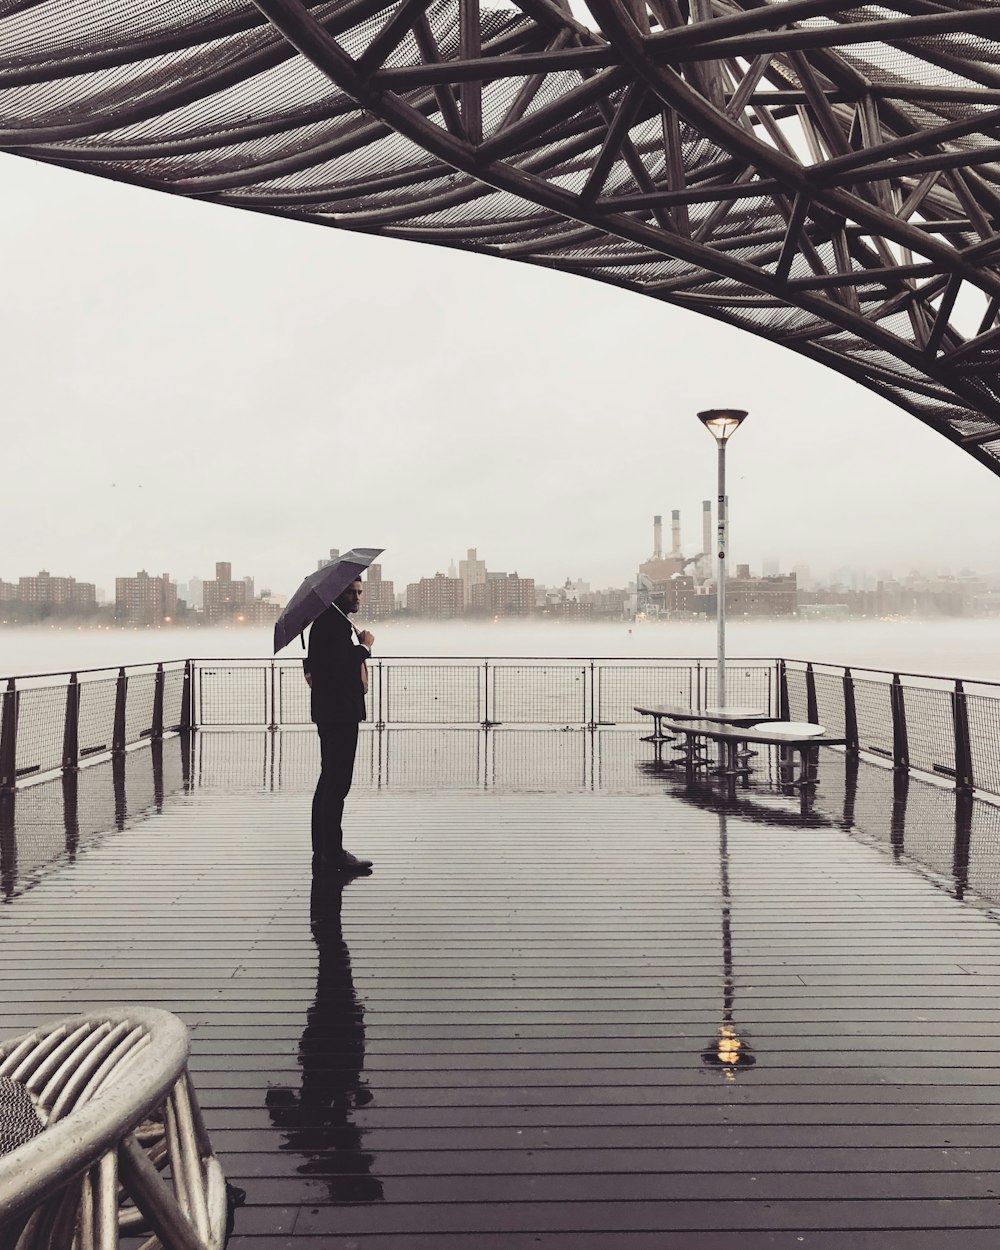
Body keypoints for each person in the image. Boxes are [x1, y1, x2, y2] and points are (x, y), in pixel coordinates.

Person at [304, 578, 374, 874]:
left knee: (329, 780)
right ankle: (333, 852)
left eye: (359, 592)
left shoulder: (329, 623)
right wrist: (365, 647)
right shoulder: (332, 625)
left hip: (331, 713)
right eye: (351, 592)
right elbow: (339, 665)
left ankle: (323, 847)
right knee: (337, 783)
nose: (357, 597)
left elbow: (324, 665)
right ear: (337, 594)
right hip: (339, 714)